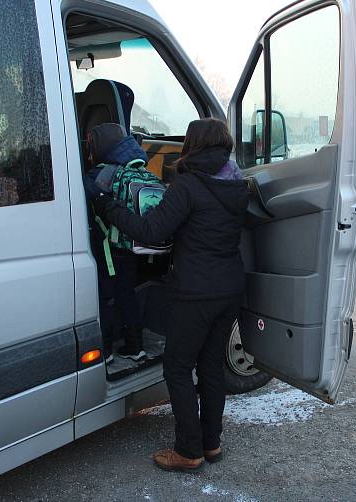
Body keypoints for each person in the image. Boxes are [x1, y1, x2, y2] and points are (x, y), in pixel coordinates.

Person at [90, 118, 249, 471]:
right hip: (229, 288)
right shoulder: (238, 184)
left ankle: (187, 450)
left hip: (195, 291)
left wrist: (108, 207)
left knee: (177, 368)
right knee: (210, 366)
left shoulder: (188, 185)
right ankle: (211, 444)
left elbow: (151, 231)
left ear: (193, 144)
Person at [84, 123, 148, 363]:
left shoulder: (97, 175)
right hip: (131, 245)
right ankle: (136, 346)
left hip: (106, 248)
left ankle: (106, 350)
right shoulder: (137, 167)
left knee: (106, 297)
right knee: (127, 292)